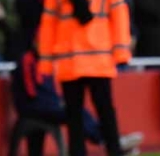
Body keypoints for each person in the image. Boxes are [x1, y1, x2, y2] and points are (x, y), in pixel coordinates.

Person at [38, 0, 132, 156]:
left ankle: (114, 151)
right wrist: (45, 61)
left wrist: (121, 52)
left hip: (98, 60)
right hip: (70, 61)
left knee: (105, 112)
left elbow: (119, 15)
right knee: (74, 116)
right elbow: (48, 22)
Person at [12, 50, 143, 156]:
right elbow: (30, 92)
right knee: (75, 112)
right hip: (33, 108)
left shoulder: (45, 61)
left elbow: (48, 91)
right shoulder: (27, 60)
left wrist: (56, 102)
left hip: (47, 106)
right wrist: (55, 103)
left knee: (78, 111)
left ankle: (106, 139)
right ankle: (107, 140)